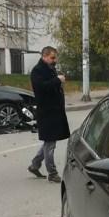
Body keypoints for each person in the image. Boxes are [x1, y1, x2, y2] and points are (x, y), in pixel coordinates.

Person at [28, 46, 70, 183]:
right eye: (52, 57)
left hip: (55, 110)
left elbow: (53, 87)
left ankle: (35, 164)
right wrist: (58, 80)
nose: (54, 60)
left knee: (49, 141)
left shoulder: (50, 69)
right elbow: (41, 88)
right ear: (44, 56)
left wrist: (59, 82)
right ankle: (52, 172)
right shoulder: (37, 71)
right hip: (46, 111)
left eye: (55, 57)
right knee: (50, 143)